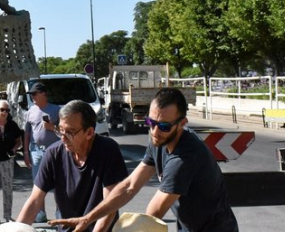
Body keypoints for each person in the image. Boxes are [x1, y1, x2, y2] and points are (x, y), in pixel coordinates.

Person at [50, 88, 238, 232]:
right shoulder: (158, 141)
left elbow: (153, 213)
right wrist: (88, 218)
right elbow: (129, 185)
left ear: (182, 124)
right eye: (151, 123)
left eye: (163, 126)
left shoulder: (184, 157)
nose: (155, 132)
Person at [18, 100, 128, 231]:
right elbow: (34, 201)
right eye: (61, 130)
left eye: (70, 132)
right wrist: (17, 229)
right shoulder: (53, 154)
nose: (63, 138)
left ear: (89, 133)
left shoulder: (108, 150)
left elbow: (111, 205)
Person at [23, 82, 60, 223]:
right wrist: (26, 152)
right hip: (36, 151)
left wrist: (52, 127)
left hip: (55, 151)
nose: (32, 97)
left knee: (58, 182)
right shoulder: (30, 111)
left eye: (34, 94)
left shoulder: (56, 110)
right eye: (31, 94)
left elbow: (63, 131)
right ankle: (40, 213)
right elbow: (26, 133)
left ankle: (59, 212)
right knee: (38, 184)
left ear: (43, 94)